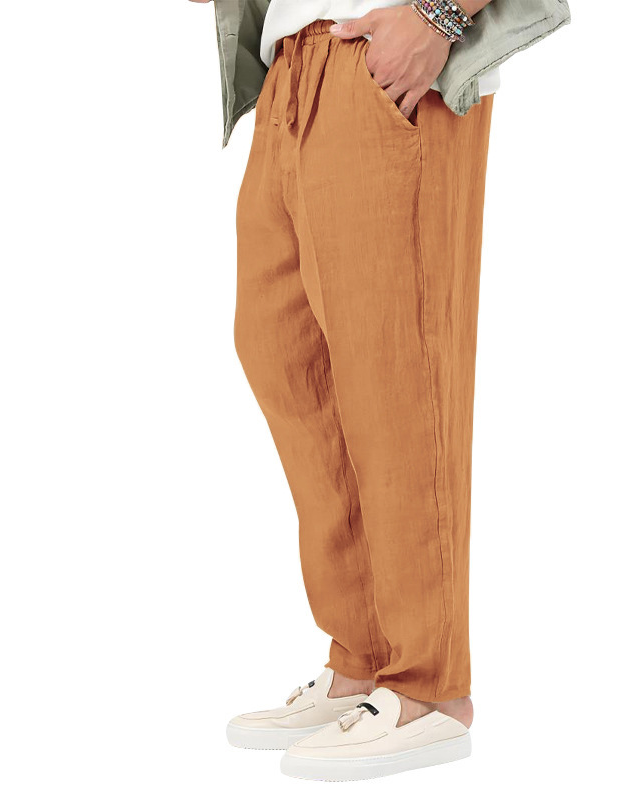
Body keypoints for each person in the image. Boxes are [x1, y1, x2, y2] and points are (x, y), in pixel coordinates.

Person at [189, 0, 570, 781]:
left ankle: (428, 687)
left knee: (399, 372)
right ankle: (363, 663)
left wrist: (439, 17)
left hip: (387, 60)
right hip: (292, 67)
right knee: (282, 354)